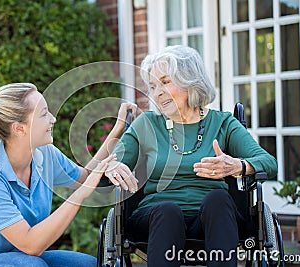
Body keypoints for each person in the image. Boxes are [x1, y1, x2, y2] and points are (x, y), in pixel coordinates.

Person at [104, 45, 277, 267]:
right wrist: (112, 166)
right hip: (155, 219)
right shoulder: (147, 124)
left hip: (211, 220)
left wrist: (238, 166)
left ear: (189, 80)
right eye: (153, 86)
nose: (157, 93)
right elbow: (112, 163)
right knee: (168, 211)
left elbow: (269, 163)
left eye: (165, 82)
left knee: (219, 199)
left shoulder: (223, 123)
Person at [0, 83, 138, 267]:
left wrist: (119, 127)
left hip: (19, 256)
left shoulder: (45, 154)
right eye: (44, 114)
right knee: (31, 265)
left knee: (88, 264)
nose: (53, 118)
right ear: (19, 128)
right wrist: (81, 194)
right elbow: (31, 245)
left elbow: (86, 177)